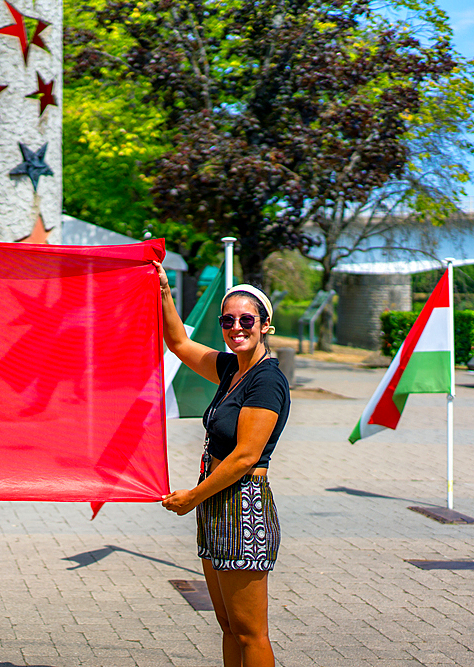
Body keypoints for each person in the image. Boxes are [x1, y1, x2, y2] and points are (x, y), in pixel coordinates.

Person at [153, 261, 290, 667]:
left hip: (243, 506)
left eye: (247, 319)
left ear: (266, 325)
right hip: (215, 502)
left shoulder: (266, 380)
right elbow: (178, 344)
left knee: (251, 632)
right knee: (228, 626)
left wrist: (192, 498)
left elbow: (246, 456)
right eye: (228, 320)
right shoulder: (231, 368)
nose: (237, 327)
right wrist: (163, 290)